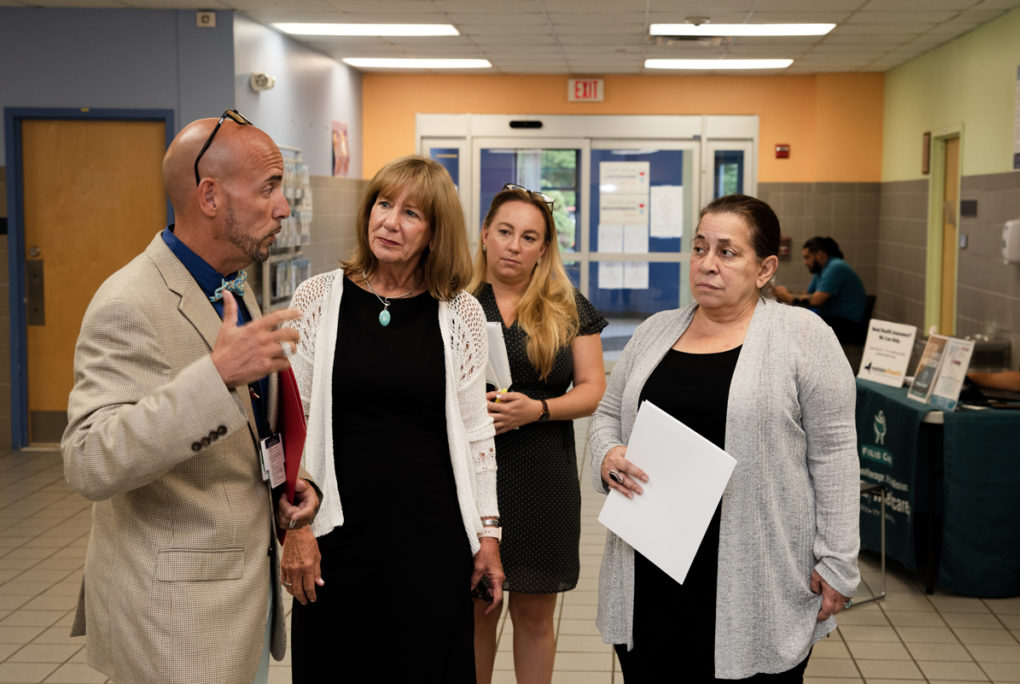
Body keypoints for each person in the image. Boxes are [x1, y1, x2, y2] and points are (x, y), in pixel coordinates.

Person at [62, 111, 321, 684]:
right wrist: (214, 376)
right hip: (174, 618)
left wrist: (288, 488)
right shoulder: (128, 303)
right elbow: (88, 460)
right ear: (209, 195)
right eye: (268, 189)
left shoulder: (232, 286)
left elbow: (252, 430)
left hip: (239, 601)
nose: (283, 207)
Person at [589, 194, 860, 681]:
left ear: (765, 268)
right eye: (699, 248)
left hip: (755, 574)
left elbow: (836, 453)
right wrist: (608, 454)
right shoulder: (655, 331)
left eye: (727, 252)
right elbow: (608, 413)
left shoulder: (803, 336)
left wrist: (838, 559)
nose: (706, 264)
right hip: (652, 571)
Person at [283, 155, 503, 683]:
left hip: (431, 535)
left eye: (411, 214)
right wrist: (295, 527)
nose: (389, 222)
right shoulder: (317, 300)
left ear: (435, 232)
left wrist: (489, 535)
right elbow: (297, 423)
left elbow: (477, 433)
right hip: (338, 532)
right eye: (384, 204)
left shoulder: (460, 312)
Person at [471, 185, 607, 684]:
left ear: (544, 249)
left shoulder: (567, 306)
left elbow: (593, 390)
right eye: (504, 232)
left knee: (532, 615)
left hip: (541, 474)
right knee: (476, 612)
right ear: (485, 235)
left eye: (529, 237)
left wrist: (539, 409)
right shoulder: (452, 301)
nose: (514, 245)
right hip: (469, 477)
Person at [773, 236, 867, 340]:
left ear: (820, 255)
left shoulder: (836, 267)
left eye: (807, 257)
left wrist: (788, 298)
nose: (804, 262)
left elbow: (816, 301)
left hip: (849, 324)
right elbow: (808, 294)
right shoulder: (821, 269)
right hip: (835, 317)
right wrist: (786, 292)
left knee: (794, 324)